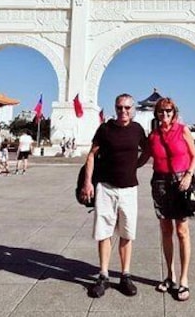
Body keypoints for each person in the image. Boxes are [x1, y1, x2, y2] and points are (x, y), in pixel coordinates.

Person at [80, 93, 148, 298]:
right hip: (106, 188)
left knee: (127, 233)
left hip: (129, 189)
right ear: (115, 108)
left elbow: (147, 151)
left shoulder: (137, 129)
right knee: (104, 232)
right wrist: (87, 182)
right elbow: (91, 155)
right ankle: (103, 275)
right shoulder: (105, 128)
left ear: (133, 109)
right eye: (120, 107)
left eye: (127, 107)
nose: (123, 111)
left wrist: (135, 166)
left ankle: (125, 275)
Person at [144, 97, 195, 302]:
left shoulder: (183, 130)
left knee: (182, 231)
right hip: (160, 182)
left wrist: (189, 175)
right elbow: (142, 157)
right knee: (166, 230)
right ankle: (170, 275)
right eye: (160, 111)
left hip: (181, 181)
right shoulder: (153, 135)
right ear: (156, 114)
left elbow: (194, 156)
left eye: (168, 111)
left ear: (174, 112)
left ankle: (184, 279)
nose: (164, 115)